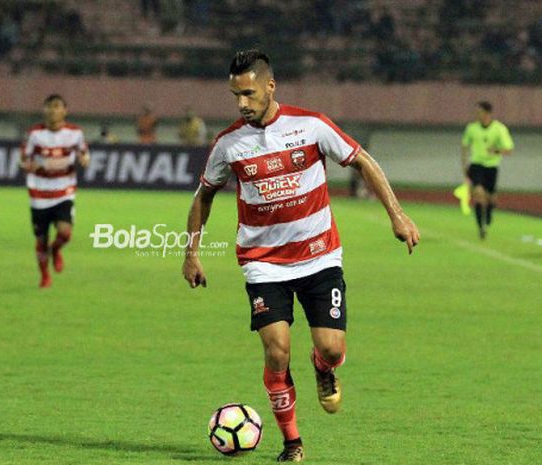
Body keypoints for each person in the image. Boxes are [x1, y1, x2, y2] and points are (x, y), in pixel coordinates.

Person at [181, 50, 419, 462]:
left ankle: (323, 369)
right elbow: (204, 196)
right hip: (263, 261)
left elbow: (361, 160)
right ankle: (292, 443)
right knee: (276, 350)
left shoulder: (310, 126)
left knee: (329, 347)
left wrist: (397, 216)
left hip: (319, 257)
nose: (241, 103)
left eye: (249, 93)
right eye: (235, 95)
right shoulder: (228, 144)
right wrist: (191, 254)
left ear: (270, 87)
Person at [20, 94, 90, 288]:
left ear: (65, 110)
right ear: (44, 110)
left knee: (65, 233)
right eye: (49, 107)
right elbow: (24, 158)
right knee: (40, 238)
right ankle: (44, 276)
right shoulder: (34, 134)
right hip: (39, 192)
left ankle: (56, 249)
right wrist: (29, 165)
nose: (53, 110)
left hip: (63, 190)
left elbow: (83, 152)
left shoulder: (75, 133)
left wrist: (85, 159)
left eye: (57, 106)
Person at [461, 101, 514, 239]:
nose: (477, 114)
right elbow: (465, 147)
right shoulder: (471, 128)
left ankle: (489, 214)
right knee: (478, 194)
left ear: (487, 113)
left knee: (491, 199)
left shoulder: (499, 129)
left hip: (491, 167)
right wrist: (464, 165)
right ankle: (481, 227)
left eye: (479, 112)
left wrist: (496, 150)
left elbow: (509, 149)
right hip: (476, 165)